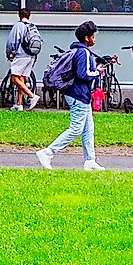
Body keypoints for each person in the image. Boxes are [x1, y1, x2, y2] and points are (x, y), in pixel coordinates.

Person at [37, 21, 104, 171]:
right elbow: (83, 74)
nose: (94, 39)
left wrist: (96, 66)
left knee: (88, 129)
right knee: (76, 129)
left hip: (79, 95)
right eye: (93, 37)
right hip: (79, 94)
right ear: (87, 38)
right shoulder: (84, 52)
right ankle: (48, 152)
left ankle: (90, 161)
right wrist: (98, 72)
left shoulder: (76, 50)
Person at [4, 9, 44, 111]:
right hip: (31, 56)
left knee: (14, 78)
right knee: (22, 78)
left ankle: (32, 96)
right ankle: (19, 104)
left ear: (19, 15)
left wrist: (9, 53)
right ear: (29, 16)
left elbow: (12, 41)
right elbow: (40, 41)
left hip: (21, 55)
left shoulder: (18, 25)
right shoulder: (33, 26)